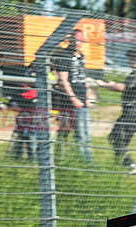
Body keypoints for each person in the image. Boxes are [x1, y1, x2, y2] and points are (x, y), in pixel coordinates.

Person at [96, 48, 136, 173]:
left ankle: (130, 165)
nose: (128, 62)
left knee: (114, 137)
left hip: (132, 112)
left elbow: (122, 88)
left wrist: (103, 84)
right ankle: (119, 165)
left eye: (129, 59)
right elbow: (132, 87)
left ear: (134, 59)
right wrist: (113, 83)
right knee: (121, 141)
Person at [53, 29, 92, 162]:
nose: (77, 42)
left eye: (80, 39)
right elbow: (63, 80)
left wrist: (87, 96)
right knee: (67, 131)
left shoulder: (81, 56)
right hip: (69, 101)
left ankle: (86, 160)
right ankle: (63, 158)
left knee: (85, 132)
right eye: (75, 39)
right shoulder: (64, 56)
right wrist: (73, 98)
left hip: (83, 99)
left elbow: (84, 77)